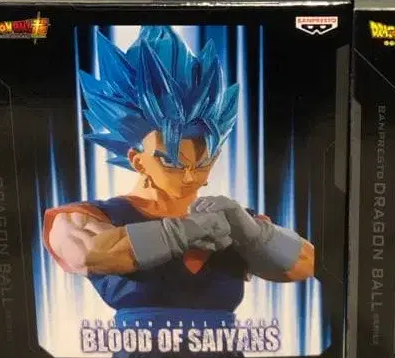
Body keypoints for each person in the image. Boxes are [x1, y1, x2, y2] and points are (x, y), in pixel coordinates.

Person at [43, 27, 313, 357]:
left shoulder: (231, 219)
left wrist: (256, 235)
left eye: (202, 163)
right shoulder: (90, 217)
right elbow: (88, 252)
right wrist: (184, 231)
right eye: (171, 162)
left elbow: (307, 264)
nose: (189, 176)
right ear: (137, 160)